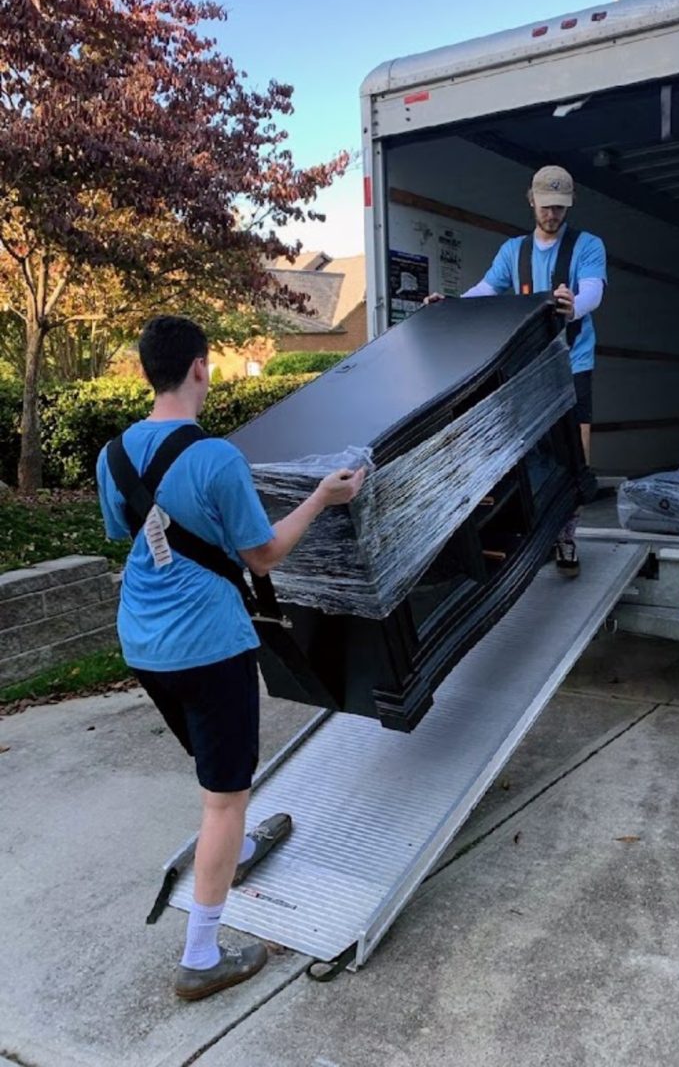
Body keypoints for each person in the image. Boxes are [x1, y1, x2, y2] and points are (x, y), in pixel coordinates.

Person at [96, 315, 365, 1001]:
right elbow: (264, 555)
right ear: (198, 369)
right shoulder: (216, 457)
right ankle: (200, 954)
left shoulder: (113, 457)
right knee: (223, 797)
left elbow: (131, 533)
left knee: (217, 775)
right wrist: (322, 498)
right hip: (207, 646)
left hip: (143, 644)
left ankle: (237, 849)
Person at [425, 165, 606, 576]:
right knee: (532, 445)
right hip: (530, 365)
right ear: (531, 200)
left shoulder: (588, 246)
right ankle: (534, 528)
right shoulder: (514, 252)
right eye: (546, 207)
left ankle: (568, 534)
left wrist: (574, 303)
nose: (552, 215)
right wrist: (452, 304)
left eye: (560, 207)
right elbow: (488, 290)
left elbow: (593, 288)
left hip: (573, 359)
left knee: (575, 447)